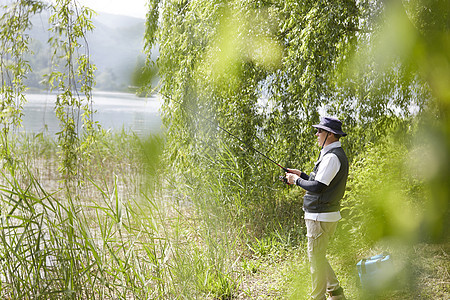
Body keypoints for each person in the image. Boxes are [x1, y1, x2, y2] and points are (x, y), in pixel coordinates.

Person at [285, 117, 349, 300]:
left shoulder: (331, 157)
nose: (317, 134)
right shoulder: (331, 155)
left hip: (320, 217)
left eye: (320, 131)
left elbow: (319, 187)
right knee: (319, 256)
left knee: (316, 261)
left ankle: (317, 297)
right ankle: (336, 293)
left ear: (330, 135)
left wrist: (296, 181)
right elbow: (319, 182)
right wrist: (301, 175)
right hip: (323, 216)